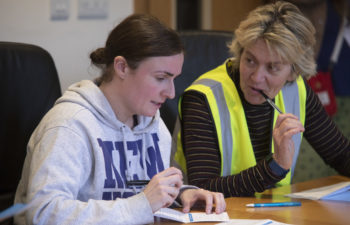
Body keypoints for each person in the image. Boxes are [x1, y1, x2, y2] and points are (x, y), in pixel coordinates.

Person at [13, 14, 225, 225]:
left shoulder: (154, 125)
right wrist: (142, 204)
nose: (171, 93)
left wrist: (180, 194)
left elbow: (146, 193)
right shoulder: (68, 125)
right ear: (122, 67)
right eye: (161, 78)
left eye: (173, 79)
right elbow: (43, 213)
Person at [173, 1, 350, 197]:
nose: (256, 77)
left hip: (271, 214)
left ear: (293, 71)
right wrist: (275, 166)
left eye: (272, 67)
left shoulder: (295, 88)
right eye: (250, 61)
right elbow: (203, 189)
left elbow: (341, 155)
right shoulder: (202, 98)